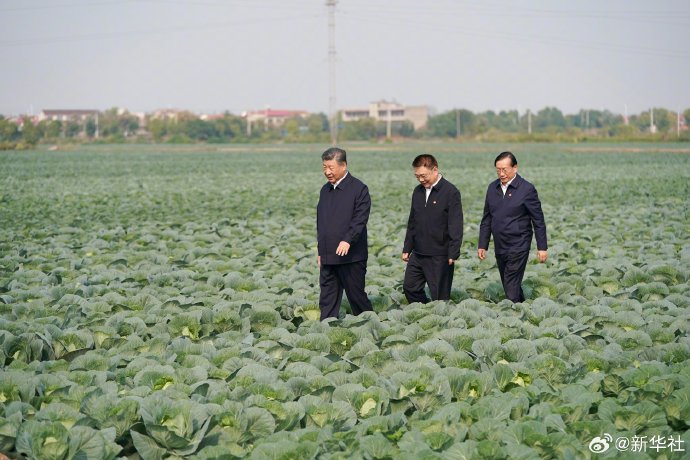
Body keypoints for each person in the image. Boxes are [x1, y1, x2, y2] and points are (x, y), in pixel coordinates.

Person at [477, 151, 548, 303]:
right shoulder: (492, 188)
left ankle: (512, 314)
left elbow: (538, 220)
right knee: (510, 284)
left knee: (510, 283)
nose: (501, 173)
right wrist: (483, 244)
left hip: (519, 244)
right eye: (498, 170)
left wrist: (542, 247)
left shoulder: (526, 189)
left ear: (515, 168)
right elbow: (487, 218)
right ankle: (523, 309)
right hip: (500, 244)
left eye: (505, 170)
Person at [316, 147, 373, 320]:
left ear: (344, 165)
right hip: (328, 256)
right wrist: (321, 251)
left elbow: (360, 220)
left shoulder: (359, 189)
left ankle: (370, 326)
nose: (327, 172)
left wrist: (347, 240)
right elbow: (321, 223)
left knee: (356, 297)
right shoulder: (325, 190)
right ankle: (326, 329)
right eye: (324, 167)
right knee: (327, 299)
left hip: (351, 257)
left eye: (331, 167)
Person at [402, 154, 463, 303]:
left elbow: (456, 225)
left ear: (435, 170)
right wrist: (407, 247)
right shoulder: (418, 191)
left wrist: (453, 252)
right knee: (410, 287)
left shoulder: (450, 192)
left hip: (440, 254)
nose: (421, 180)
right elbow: (413, 222)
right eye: (417, 176)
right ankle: (424, 311)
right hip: (418, 252)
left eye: (423, 176)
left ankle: (441, 322)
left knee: (440, 297)